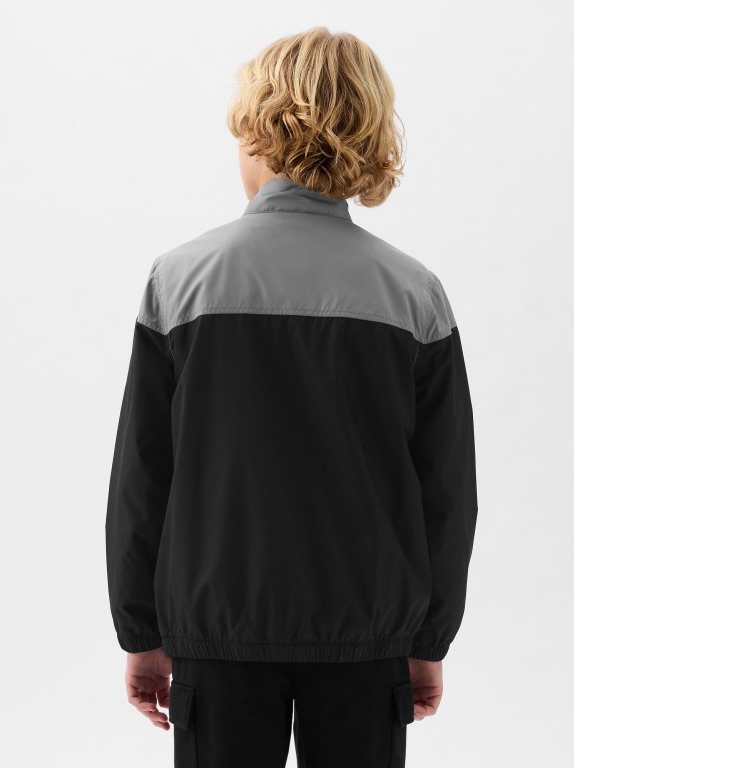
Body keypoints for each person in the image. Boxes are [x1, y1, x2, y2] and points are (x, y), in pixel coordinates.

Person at [106, 26, 478, 768]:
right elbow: (447, 491)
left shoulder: (178, 282)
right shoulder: (415, 295)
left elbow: (143, 476)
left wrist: (140, 632)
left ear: (258, 135)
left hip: (216, 634)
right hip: (368, 636)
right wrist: (428, 639)